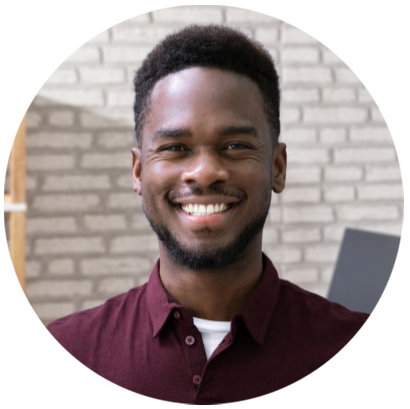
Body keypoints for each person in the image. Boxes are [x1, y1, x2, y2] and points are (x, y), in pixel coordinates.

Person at [47, 25, 368, 404]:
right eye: (175, 147)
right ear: (138, 171)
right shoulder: (66, 354)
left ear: (277, 167)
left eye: (234, 145)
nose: (203, 172)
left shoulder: (359, 350)